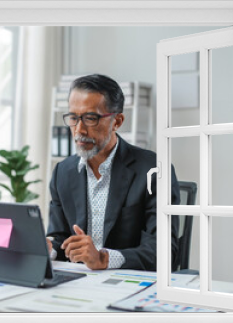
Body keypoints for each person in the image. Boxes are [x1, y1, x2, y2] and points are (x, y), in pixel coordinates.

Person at [46, 74, 180, 271]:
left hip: (130, 283)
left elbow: (164, 251)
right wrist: (48, 248)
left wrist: (103, 259)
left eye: (90, 118)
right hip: (79, 283)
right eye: (73, 118)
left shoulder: (153, 170)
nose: (79, 130)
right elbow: (60, 237)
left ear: (117, 121)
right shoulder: (63, 172)